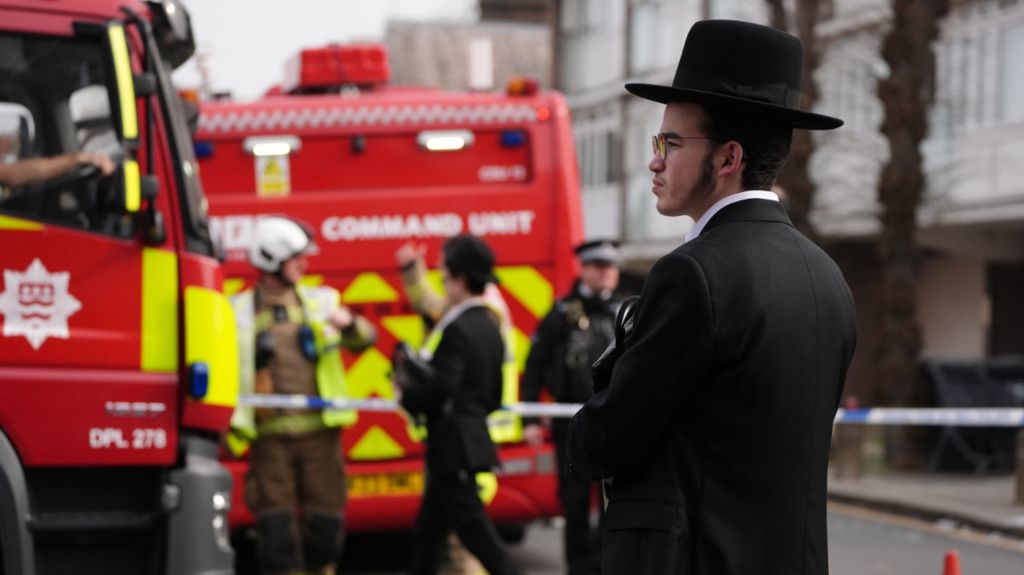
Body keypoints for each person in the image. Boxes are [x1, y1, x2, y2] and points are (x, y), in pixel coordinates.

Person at [566, 19, 857, 575]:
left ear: (728, 159)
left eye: (671, 143)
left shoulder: (693, 273)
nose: (654, 160)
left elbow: (605, 438)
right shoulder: (827, 278)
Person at [229, 215, 377, 575]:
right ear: (271, 260)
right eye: (296, 258)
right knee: (276, 537)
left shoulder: (321, 301)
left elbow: (365, 340)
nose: (304, 264)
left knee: (325, 533)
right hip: (270, 441)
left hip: (319, 439)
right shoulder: (239, 310)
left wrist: (352, 324)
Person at [394, 234, 521, 575]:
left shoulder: (458, 329)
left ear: (460, 279)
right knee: (428, 533)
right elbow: (493, 392)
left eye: (445, 275)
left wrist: (406, 390)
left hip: (454, 446)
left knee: (476, 535)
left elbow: (440, 388)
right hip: (465, 440)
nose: (443, 282)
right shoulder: (491, 326)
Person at [520, 238, 622, 575]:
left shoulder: (624, 312)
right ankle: (578, 568)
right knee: (575, 499)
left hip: (614, 420)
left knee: (616, 501)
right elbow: (534, 366)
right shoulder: (562, 313)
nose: (608, 274)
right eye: (600, 267)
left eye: (612, 268)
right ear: (584, 269)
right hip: (572, 422)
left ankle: (609, 565)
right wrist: (530, 418)